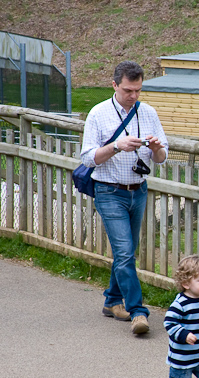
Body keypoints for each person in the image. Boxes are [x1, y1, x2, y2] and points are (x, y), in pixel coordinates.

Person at [80, 60, 169, 335]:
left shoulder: (149, 112)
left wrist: (155, 148)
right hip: (108, 191)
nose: (133, 96)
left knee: (127, 252)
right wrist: (116, 146)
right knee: (124, 252)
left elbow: (163, 157)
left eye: (138, 91)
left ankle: (111, 301)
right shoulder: (98, 113)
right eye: (128, 90)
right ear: (115, 85)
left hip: (138, 190)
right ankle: (138, 311)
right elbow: (87, 157)